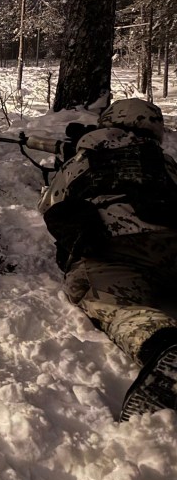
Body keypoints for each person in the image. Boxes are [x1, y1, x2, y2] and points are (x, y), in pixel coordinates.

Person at [38, 98, 177, 420]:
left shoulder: (85, 159)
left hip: (117, 251)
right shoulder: (163, 160)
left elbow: (50, 205)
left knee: (112, 304)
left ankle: (164, 345)